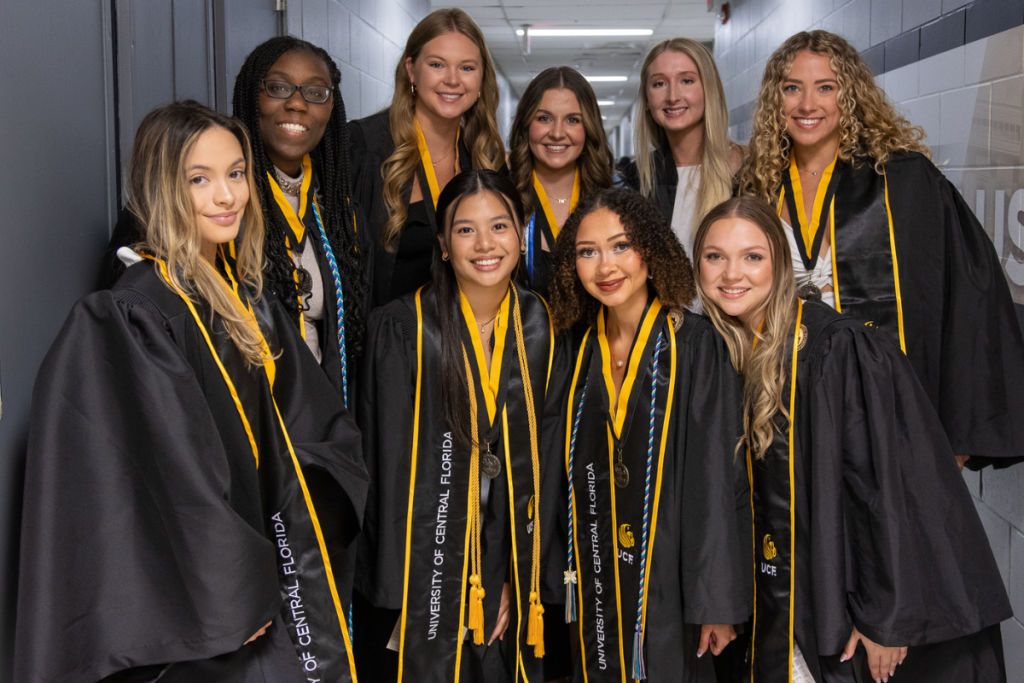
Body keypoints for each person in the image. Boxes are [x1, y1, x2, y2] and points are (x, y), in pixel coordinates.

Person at [16, 101, 367, 682]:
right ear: (161, 189)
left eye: (235, 174)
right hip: (217, 604)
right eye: (198, 180)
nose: (227, 196)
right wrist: (229, 590)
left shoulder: (247, 300)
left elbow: (317, 421)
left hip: (270, 563)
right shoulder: (137, 311)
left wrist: (307, 512)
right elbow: (158, 474)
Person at [692, 195, 1012, 683]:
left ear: (778, 264)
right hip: (767, 604)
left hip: (839, 604)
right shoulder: (718, 350)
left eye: (752, 256)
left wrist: (887, 618)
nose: (732, 273)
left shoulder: (837, 348)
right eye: (715, 256)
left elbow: (884, 490)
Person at [738, 29, 1024, 470]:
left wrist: (957, 430)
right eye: (792, 88)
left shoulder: (905, 183)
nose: (807, 104)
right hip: (778, 401)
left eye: (825, 88)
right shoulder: (755, 187)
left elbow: (966, 297)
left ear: (849, 95)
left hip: (881, 402)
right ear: (775, 100)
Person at [355, 170, 561, 682]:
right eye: (465, 230)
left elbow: (553, 462)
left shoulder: (544, 328)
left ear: (521, 233)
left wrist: (521, 575)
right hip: (427, 557)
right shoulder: (402, 327)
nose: (485, 244)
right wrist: (406, 587)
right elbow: (384, 465)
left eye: (500, 226)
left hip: (507, 555)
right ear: (443, 244)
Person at [546, 188, 751, 682]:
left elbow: (716, 481)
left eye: (621, 246)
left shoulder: (697, 348)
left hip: (671, 582)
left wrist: (716, 603)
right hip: (598, 572)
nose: (605, 266)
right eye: (587, 252)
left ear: (651, 251)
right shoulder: (575, 347)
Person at [98, 37, 363, 408]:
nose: (297, 103)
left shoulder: (335, 209)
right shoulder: (204, 213)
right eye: (278, 87)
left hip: (313, 427)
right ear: (252, 95)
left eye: (316, 92)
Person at [349, 8, 506, 312]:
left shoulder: (486, 159)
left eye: (467, 68)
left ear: (481, 76)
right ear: (411, 70)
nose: (452, 80)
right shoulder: (363, 146)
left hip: (462, 344)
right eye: (437, 64)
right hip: (384, 346)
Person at [620, 38, 743, 260]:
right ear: (647, 100)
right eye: (659, 84)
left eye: (687, 81)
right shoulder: (636, 180)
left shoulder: (750, 170)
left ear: (709, 90)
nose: (673, 96)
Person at [507, 66, 615, 295]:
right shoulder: (502, 197)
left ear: (589, 127)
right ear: (526, 124)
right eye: (544, 118)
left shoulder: (615, 199)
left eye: (572, 120)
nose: (557, 133)